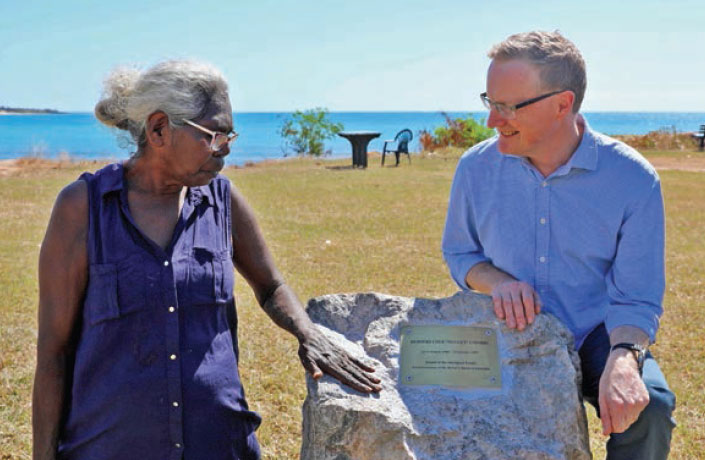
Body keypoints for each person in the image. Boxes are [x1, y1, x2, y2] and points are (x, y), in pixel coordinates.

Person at [32, 60, 381, 460]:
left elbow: (270, 286)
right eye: (213, 134)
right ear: (159, 129)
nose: (226, 147)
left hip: (218, 446)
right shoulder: (84, 208)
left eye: (229, 133)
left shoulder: (223, 201)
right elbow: (54, 351)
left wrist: (308, 334)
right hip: (109, 448)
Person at [441, 31, 676, 459]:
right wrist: (497, 282)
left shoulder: (633, 180)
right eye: (490, 102)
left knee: (651, 407)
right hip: (502, 332)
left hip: (593, 334)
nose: (492, 121)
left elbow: (637, 297)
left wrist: (624, 358)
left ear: (562, 104)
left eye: (508, 106)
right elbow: (460, 253)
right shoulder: (475, 167)